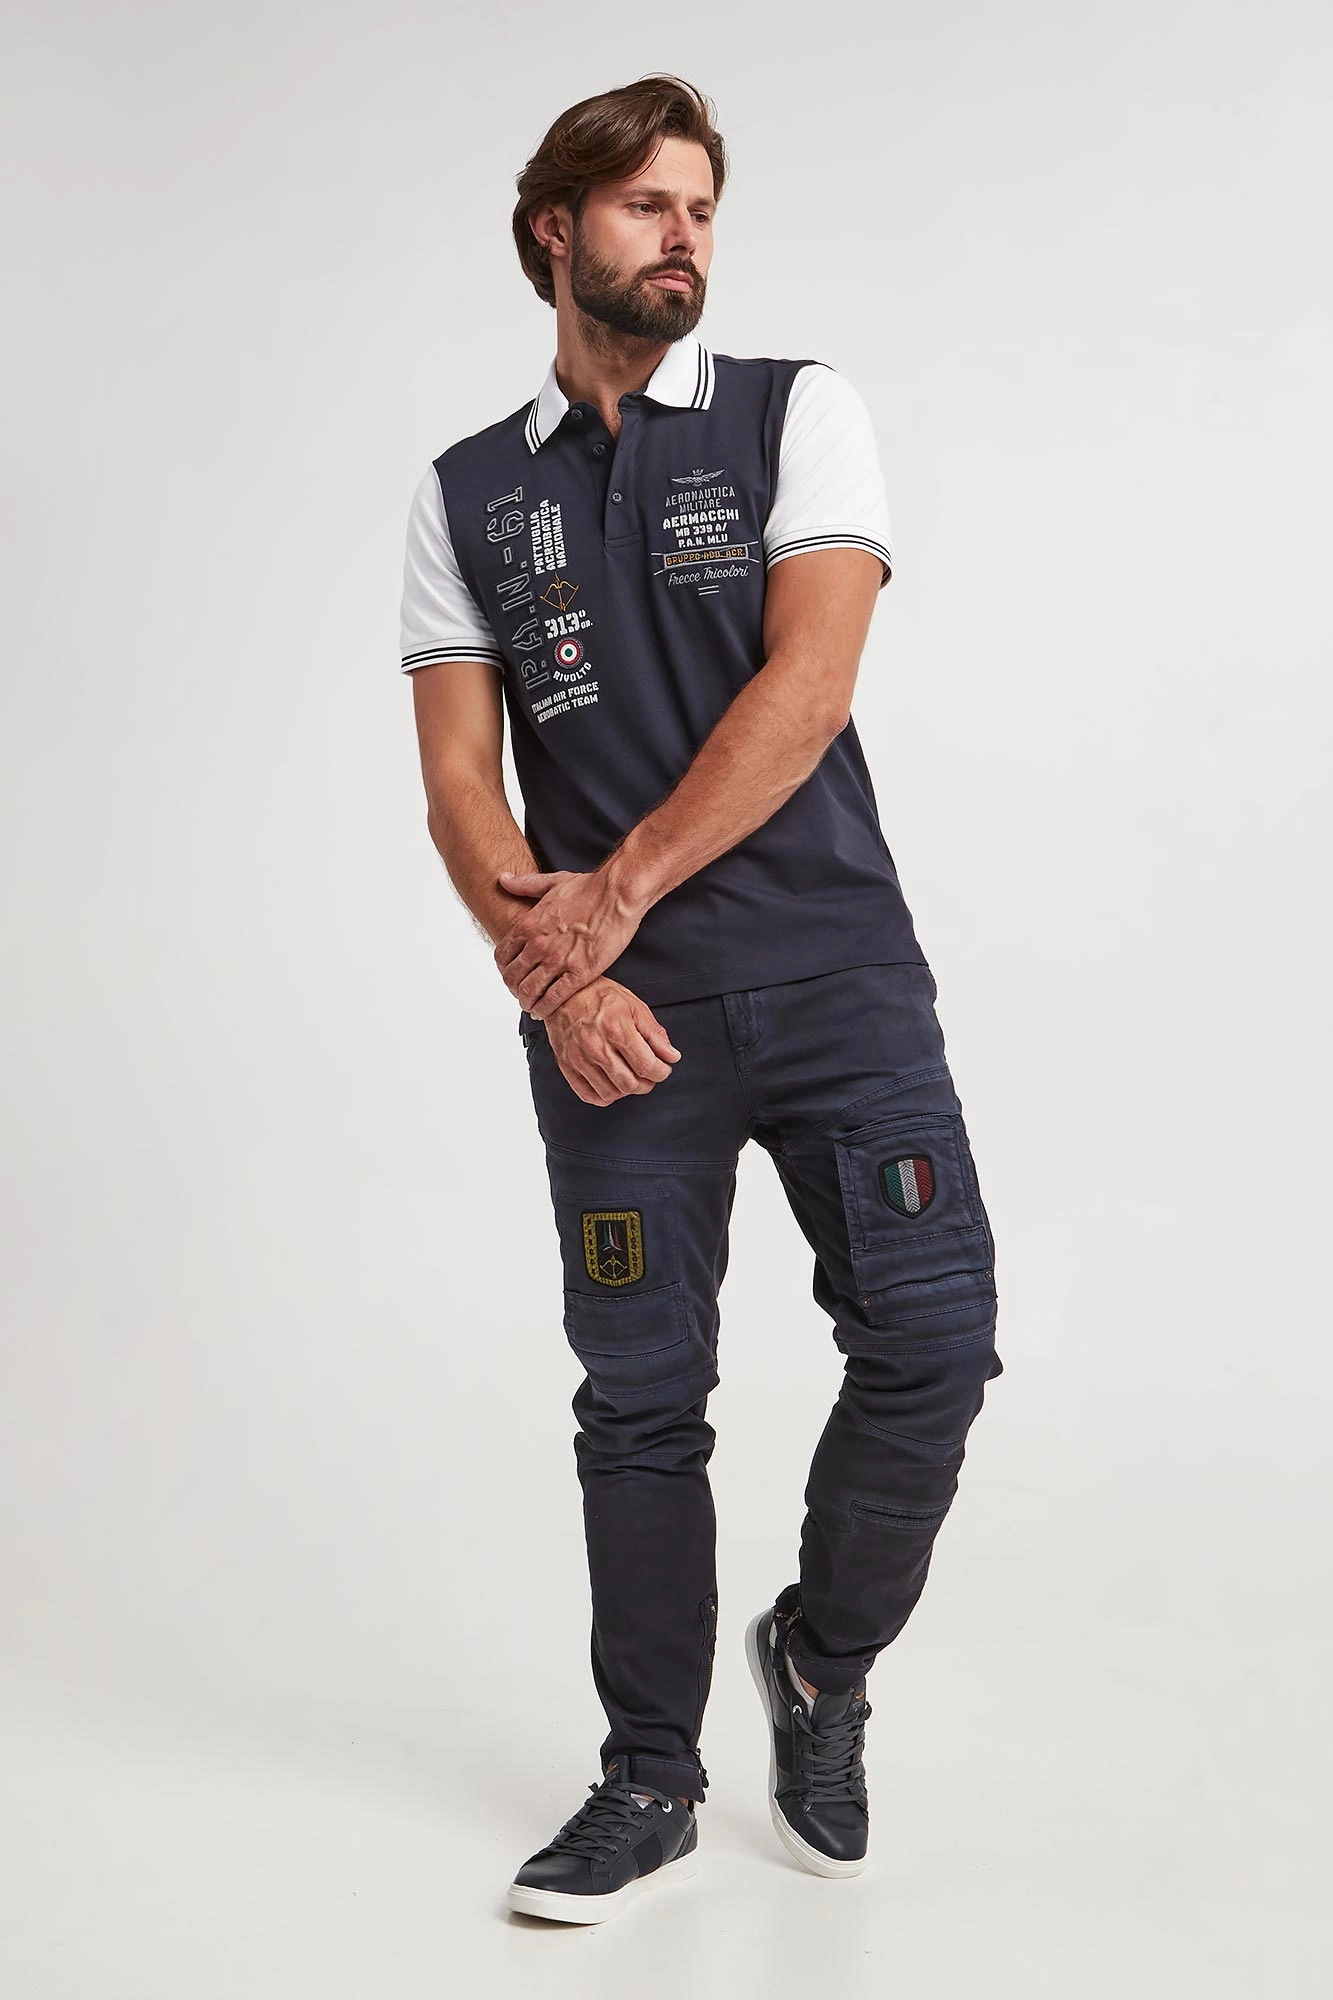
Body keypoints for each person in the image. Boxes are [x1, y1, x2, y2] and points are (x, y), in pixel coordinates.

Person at [399, 73, 1003, 1924]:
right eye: (646, 205)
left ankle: (820, 1660)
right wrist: (551, 979)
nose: (685, 237)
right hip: (617, 1034)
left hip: (836, 980)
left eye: (702, 208)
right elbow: (460, 781)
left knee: (934, 1343)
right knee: (641, 1404)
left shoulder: (795, 414)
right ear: (552, 233)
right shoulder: (464, 493)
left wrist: (615, 897)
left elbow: (806, 693)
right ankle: (649, 1780)